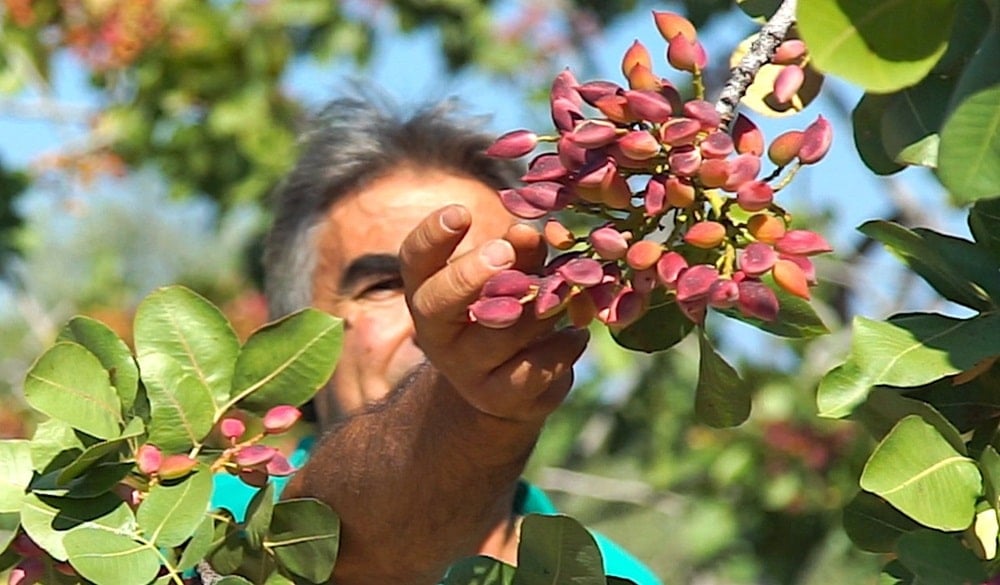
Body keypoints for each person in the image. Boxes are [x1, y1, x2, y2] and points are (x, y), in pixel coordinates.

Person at [211, 93, 661, 585]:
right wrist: (473, 406)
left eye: (489, 285)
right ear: (291, 339)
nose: (436, 318)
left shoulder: (616, 577)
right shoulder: (191, 530)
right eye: (384, 286)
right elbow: (344, 527)